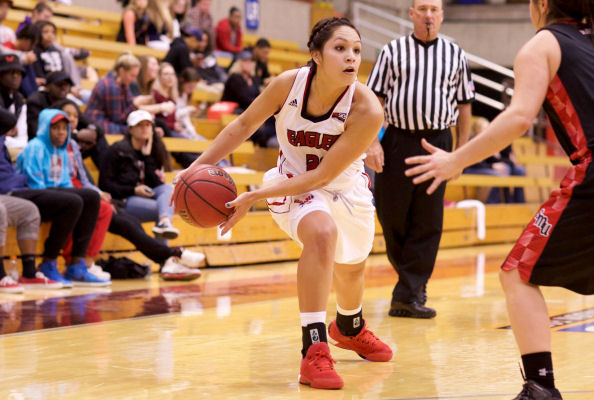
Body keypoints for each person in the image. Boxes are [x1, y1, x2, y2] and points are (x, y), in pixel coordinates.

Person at [172, 17, 392, 390]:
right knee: (322, 235)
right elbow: (241, 127)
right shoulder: (288, 85)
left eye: (356, 49)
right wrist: (195, 168)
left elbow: (324, 176)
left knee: (352, 267)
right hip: (291, 184)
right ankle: (314, 348)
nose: (351, 57)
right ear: (316, 56)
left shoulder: (367, 109)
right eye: (340, 48)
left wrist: (254, 197)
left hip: (344, 188)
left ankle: (350, 326)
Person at [405, 1, 593, 398]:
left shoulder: (541, 45)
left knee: (517, 273)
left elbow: (519, 117)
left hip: (591, 172)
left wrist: (456, 159)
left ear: (540, 4)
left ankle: (541, 387)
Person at [365, 0, 474, 319]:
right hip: (397, 140)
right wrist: (373, 141)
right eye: (422, 8)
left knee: (427, 220)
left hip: (437, 143)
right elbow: (373, 100)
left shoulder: (456, 54)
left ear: (442, 15)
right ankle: (410, 287)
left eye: (434, 9)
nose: (429, 15)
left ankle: (409, 294)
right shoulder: (391, 51)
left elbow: (465, 105)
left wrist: (461, 153)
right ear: (412, 14)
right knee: (390, 215)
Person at [15, 108, 105, 286]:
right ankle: (48, 261)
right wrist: (62, 195)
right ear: (45, 128)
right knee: (72, 201)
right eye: (56, 128)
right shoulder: (35, 146)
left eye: (65, 128)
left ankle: (76, 264)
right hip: (30, 194)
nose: (61, 132)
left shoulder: (61, 149)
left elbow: (65, 183)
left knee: (91, 197)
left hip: (52, 194)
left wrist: (66, 193)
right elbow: (34, 183)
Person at [99, 110, 180, 240]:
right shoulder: (118, 150)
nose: (145, 128)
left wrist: (147, 157)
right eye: (140, 125)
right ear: (130, 129)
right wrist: (134, 190)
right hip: (125, 200)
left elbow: (157, 184)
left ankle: (164, 223)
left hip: (147, 196)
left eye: (148, 125)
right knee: (162, 208)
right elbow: (105, 184)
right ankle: (165, 253)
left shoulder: (155, 149)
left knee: (168, 189)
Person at [463, 117, 526, 204]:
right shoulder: (474, 141)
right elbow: (475, 164)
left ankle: (516, 202)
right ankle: (492, 203)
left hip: (483, 167)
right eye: (484, 128)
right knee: (501, 174)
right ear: (477, 130)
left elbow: (498, 160)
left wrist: (496, 161)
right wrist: (493, 166)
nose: (487, 131)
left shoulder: (487, 141)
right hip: (469, 169)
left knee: (514, 170)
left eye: (487, 128)